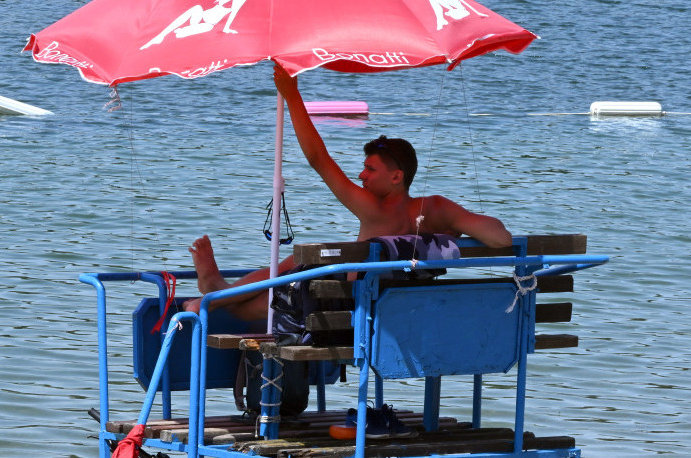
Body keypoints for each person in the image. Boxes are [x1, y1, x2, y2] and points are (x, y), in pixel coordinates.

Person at [183, 65, 512, 320]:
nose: (361, 175)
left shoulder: (373, 208)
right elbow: (501, 239)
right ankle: (215, 292)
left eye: (370, 169)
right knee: (296, 265)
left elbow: (318, 160)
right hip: (397, 306)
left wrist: (291, 94)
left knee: (283, 276)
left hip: (345, 304)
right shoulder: (435, 208)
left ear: (396, 177)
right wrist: (451, 232)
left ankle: (214, 294)